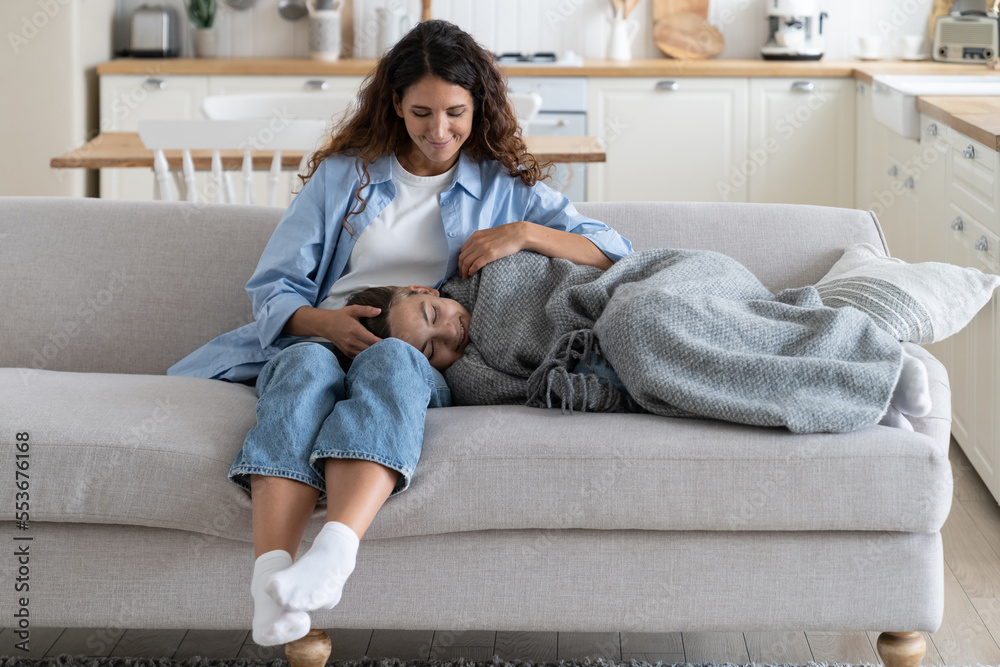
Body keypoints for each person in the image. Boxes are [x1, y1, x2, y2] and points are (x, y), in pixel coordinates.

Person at [165, 20, 632, 646]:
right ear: (394, 104)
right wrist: (321, 322)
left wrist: (524, 233)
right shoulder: (344, 176)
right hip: (318, 334)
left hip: (415, 354)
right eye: (421, 113)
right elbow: (273, 287)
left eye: (455, 114)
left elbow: (613, 250)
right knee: (304, 373)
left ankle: (334, 555)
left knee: (394, 365)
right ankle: (270, 578)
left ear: (479, 107)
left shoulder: (502, 186)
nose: (439, 132)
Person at [342, 249, 934, 433]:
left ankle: (871, 355)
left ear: (424, 287)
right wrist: (455, 369)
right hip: (632, 345)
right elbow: (529, 390)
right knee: (642, 372)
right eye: (432, 350)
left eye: (432, 312)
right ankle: (861, 394)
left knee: (633, 323)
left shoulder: (490, 269)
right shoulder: (465, 376)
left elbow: (595, 273)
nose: (451, 331)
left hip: (667, 284)